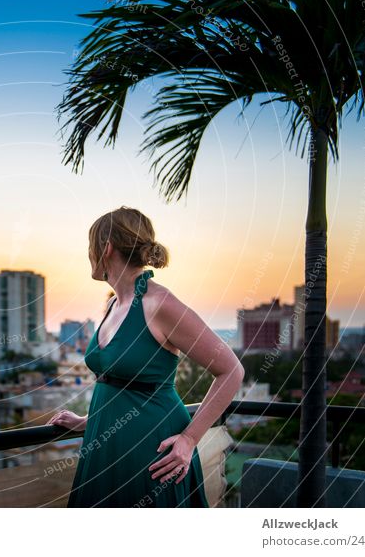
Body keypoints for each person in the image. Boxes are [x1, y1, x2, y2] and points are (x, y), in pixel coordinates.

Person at [48, 206, 244, 507]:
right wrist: (89, 420)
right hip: (104, 444)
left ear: (106, 248)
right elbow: (120, 382)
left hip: (152, 449)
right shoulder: (114, 304)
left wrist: (190, 439)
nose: (88, 252)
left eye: (91, 245)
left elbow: (232, 371)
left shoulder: (159, 303)